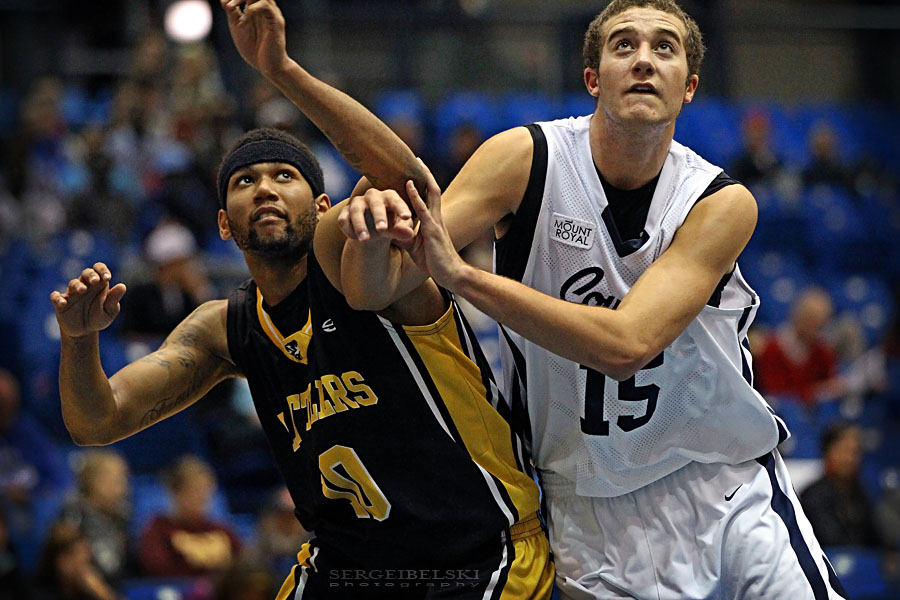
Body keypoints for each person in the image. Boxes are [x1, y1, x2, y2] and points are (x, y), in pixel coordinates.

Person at [332, 1, 848, 597]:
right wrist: (369, 225)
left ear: (690, 88)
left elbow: (627, 344)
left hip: (721, 484)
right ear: (593, 79)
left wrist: (464, 277)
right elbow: (369, 290)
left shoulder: (719, 201)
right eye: (625, 45)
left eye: (665, 48)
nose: (645, 61)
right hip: (587, 503)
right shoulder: (526, 160)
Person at [49, 4, 552, 597]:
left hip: (473, 556)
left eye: (284, 176)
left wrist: (281, 69)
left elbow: (410, 186)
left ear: (321, 208)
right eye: (244, 181)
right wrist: (80, 342)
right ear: (223, 225)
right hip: (344, 567)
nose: (264, 187)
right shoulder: (223, 329)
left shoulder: (352, 250)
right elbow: (96, 421)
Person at [138, 455, 240, 578]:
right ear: (175, 492)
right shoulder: (158, 529)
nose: (203, 497)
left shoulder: (220, 530)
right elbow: (157, 568)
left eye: (206, 490)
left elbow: (241, 566)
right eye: (195, 490)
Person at [757, 287, 846, 408]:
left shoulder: (822, 352)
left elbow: (831, 387)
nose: (814, 328)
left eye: (819, 324)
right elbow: (774, 392)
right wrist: (812, 392)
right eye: (810, 320)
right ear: (797, 315)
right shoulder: (773, 348)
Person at [799, 423, 881, 548]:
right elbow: (830, 540)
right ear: (828, 453)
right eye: (844, 451)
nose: (850, 459)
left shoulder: (862, 493)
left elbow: (876, 541)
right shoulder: (812, 496)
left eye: (855, 452)